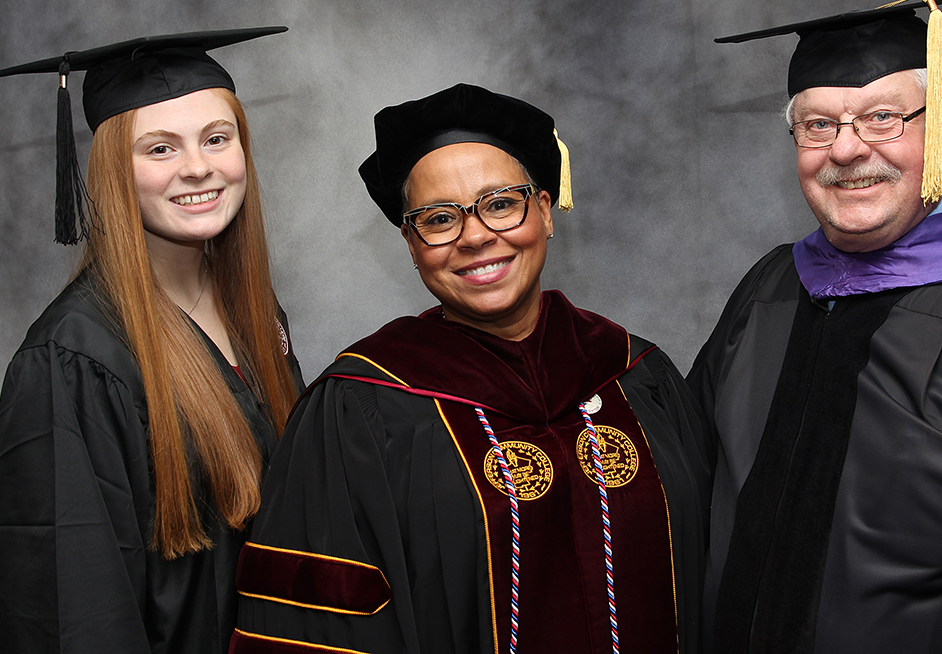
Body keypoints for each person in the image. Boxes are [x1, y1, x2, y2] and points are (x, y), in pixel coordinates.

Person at [231, 82, 713, 654]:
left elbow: (718, 575)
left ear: (545, 210)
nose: (477, 236)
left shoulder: (637, 376)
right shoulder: (361, 411)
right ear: (412, 244)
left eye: (501, 203)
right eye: (439, 219)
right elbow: (316, 627)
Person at [689, 0, 942, 653]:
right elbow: (684, 489)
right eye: (818, 125)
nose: (845, 151)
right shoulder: (770, 290)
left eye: (882, 117)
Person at [0, 28, 305, 654]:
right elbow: (73, 608)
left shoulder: (253, 312)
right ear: (113, 171)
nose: (197, 167)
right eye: (159, 149)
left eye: (217, 138)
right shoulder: (74, 358)